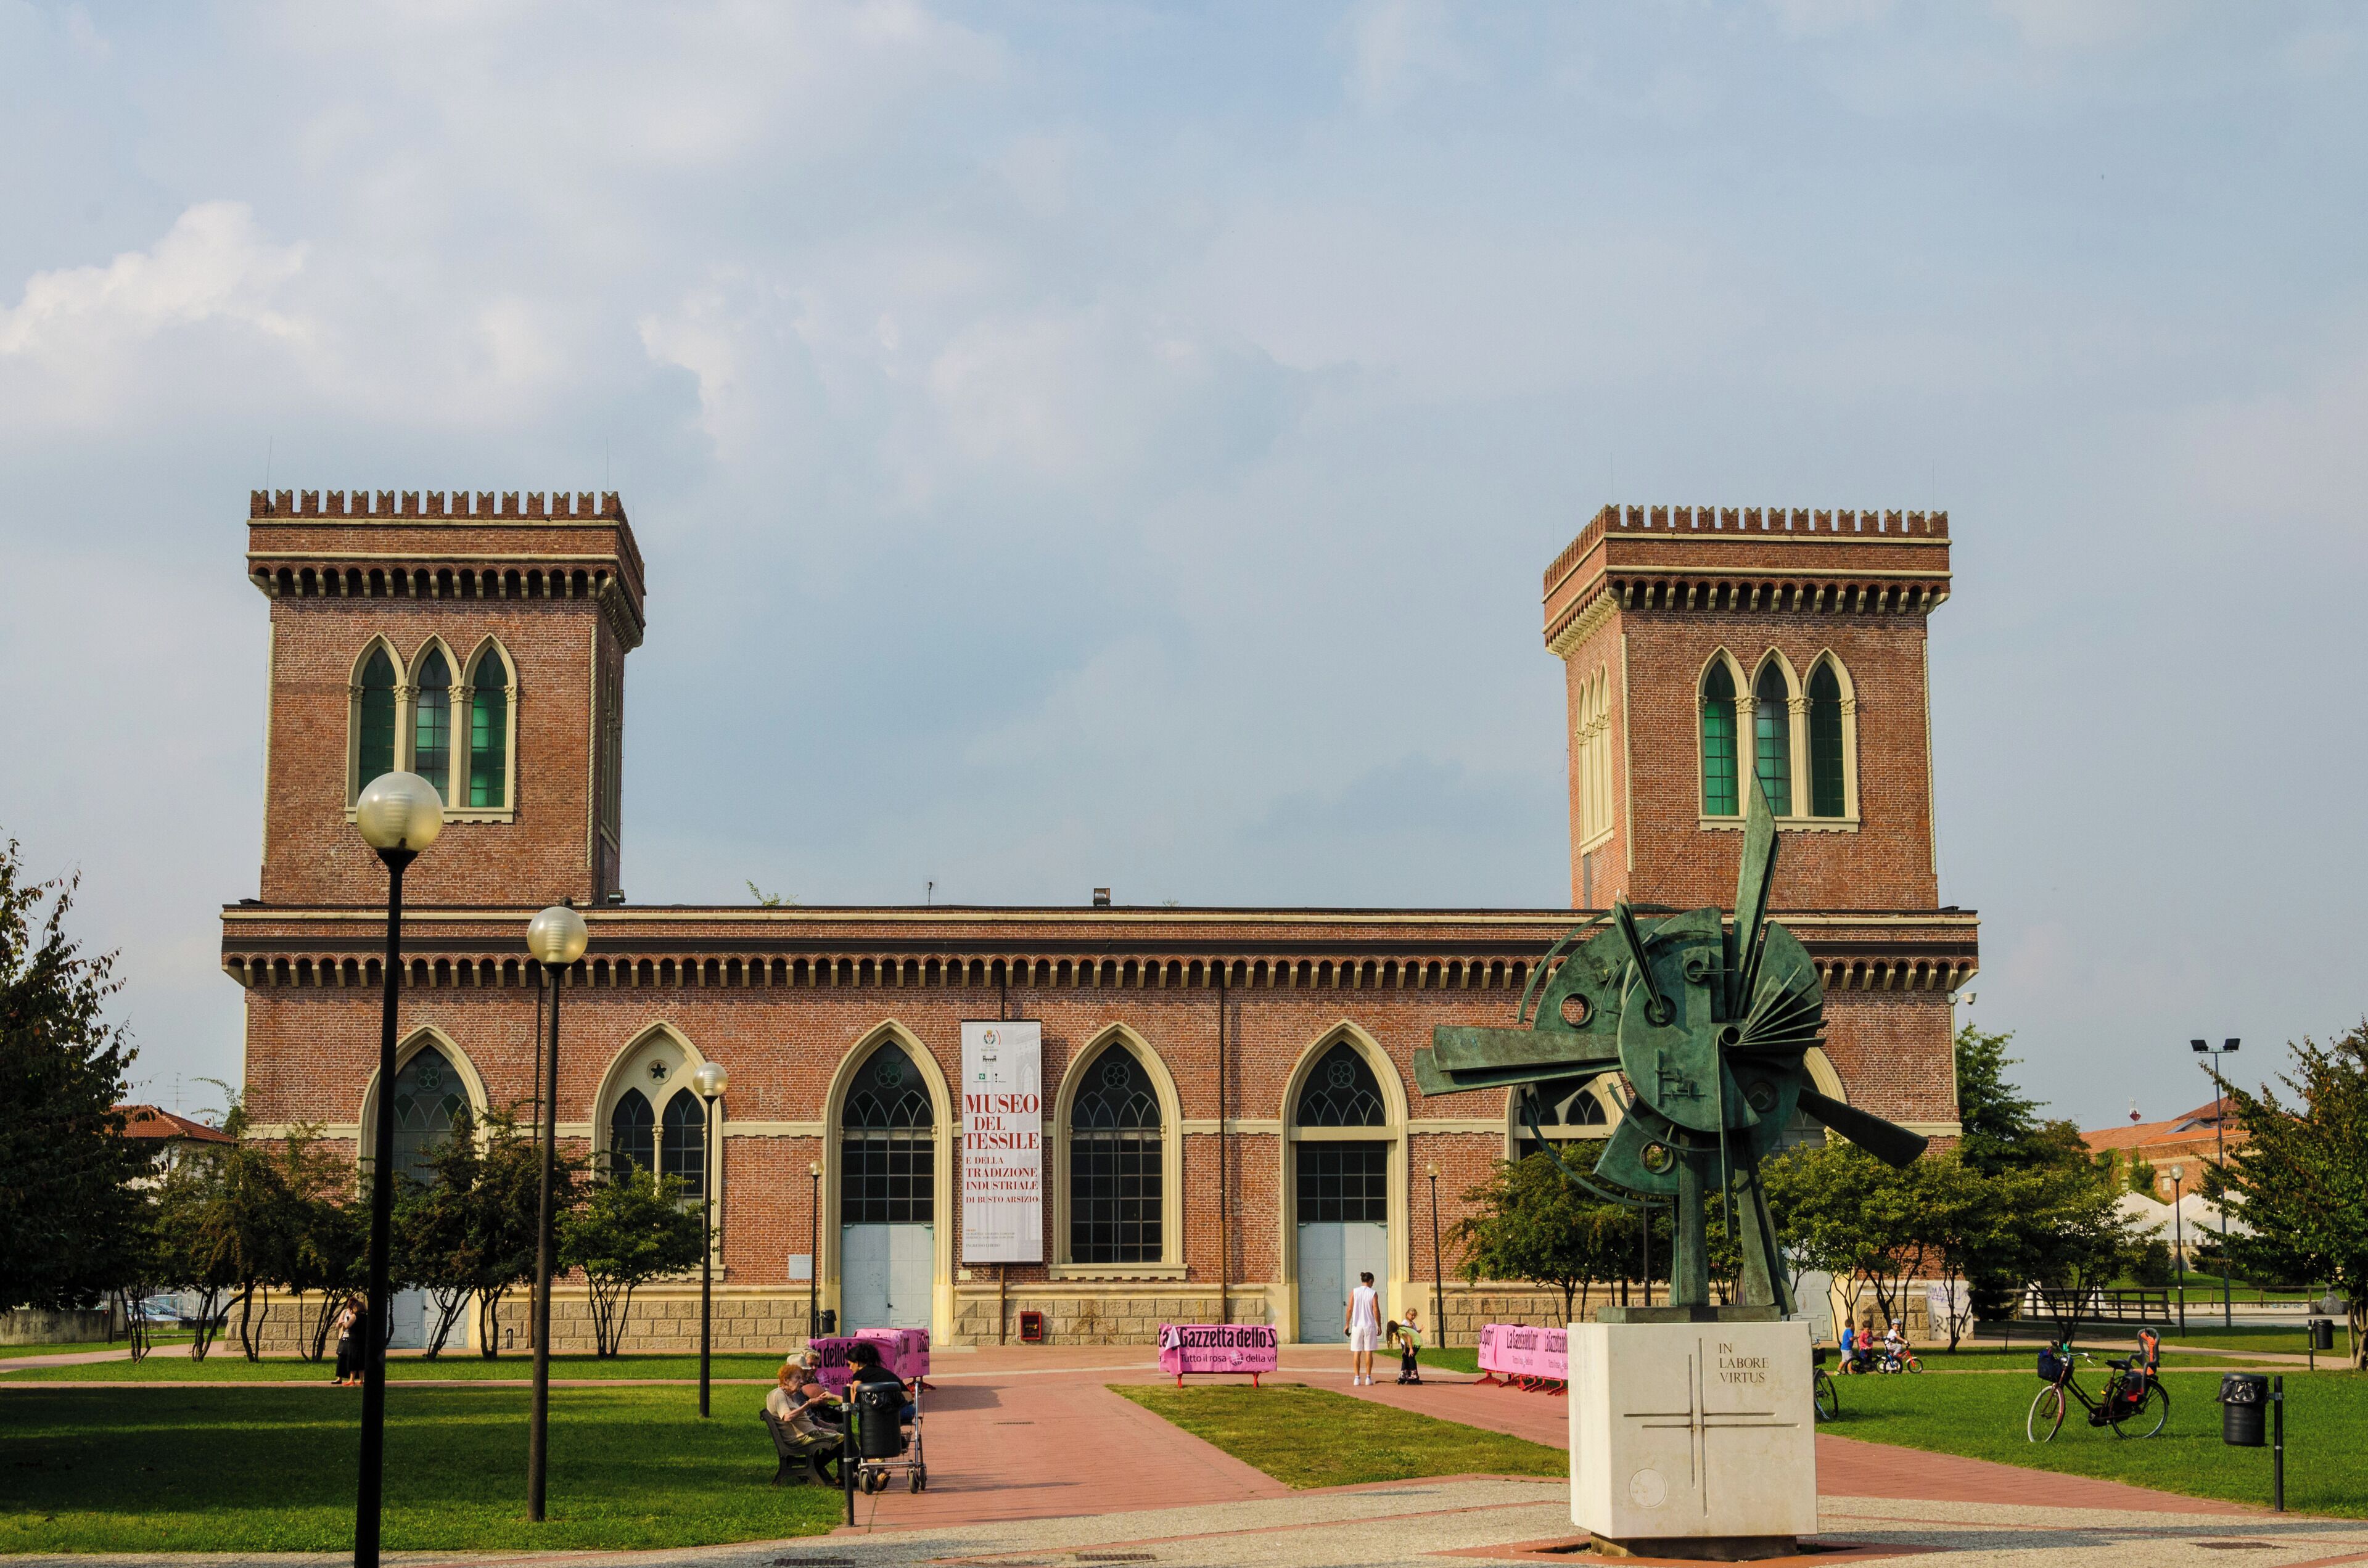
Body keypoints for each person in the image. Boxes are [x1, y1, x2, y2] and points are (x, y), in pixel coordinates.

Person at [845, 1339, 916, 1427]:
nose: (849, 1368)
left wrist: (850, 1390)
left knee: (865, 1416)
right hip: (909, 1410)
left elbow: (856, 1406)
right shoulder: (881, 1372)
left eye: (849, 1364)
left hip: (895, 1412)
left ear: (857, 1363)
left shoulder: (859, 1375)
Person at [1346, 1271, 1383, 1385]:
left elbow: (1350, 1309)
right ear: (1370, 1281)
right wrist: (1379, 1325)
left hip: (1357, 1325)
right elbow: (1376, 1310)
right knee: (1368, 1352)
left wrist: (1347, 1324)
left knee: (1357, 1352)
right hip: (1369, 1325)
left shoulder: (1354, 1292)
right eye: (1373, 1282)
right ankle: (1368, 1378)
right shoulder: (1373, 1293)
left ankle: (1357, 1378)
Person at [1391, 1306, 1424, 1385]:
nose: (1413, 1317)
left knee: (1410, 1357)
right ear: (1407, 1314)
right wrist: (1404, 1350)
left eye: (1414, 1315)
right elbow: (1406, 1337)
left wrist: (1420, 1330)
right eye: (1411, 1315)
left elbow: (1411, 1335)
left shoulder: (1411, 1324)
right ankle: (1405, 1373)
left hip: (1414, 1343)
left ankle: (1413, 1375)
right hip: (1407, 1343)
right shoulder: (1404, 1322)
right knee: (1405, 1357)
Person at [331, 1297, 359, 1386]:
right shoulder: (345, 1312)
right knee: (341, 1356)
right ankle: (339, 1378)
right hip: (344, 1336)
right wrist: (340, 1323)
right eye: (352, 1305)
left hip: (353, 1337)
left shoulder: (357, 1314)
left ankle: (352, 1378)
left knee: (352, 1358)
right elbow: (338, 1325)